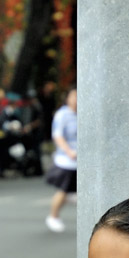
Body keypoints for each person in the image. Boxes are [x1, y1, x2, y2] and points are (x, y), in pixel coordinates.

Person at [45, 87, 77, 232]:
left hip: (81, 161)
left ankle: (72, 196)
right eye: (74, 96)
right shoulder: (62, 114)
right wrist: (69, 151)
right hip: (67, 160)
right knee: (63, 190)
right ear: (68, 98)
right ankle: (53, 216)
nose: (76, 100)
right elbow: (57, 136)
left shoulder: (83, 113)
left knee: (72, 190)